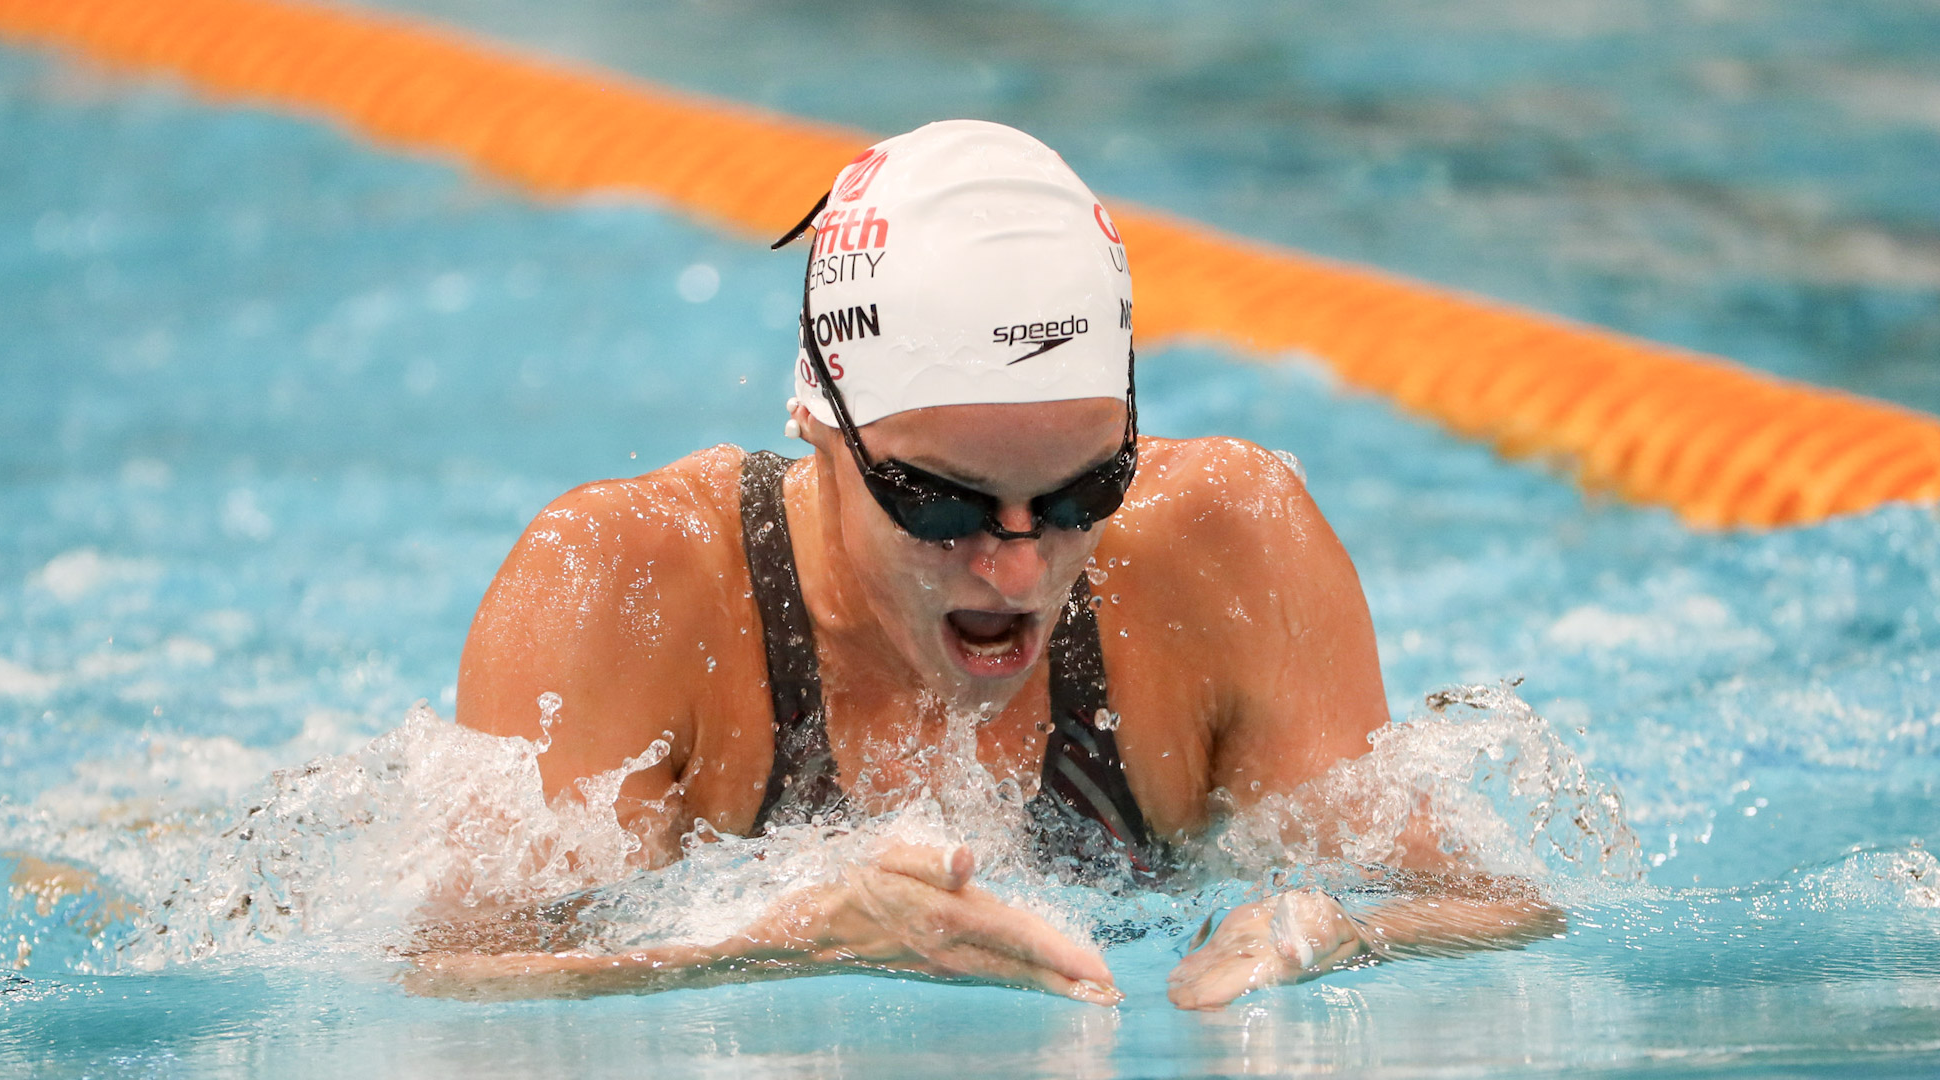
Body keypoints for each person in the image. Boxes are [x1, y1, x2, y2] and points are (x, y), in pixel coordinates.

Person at [434, 120, 1558, 1009]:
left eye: (1081, 493)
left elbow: (1494, 907)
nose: (1016, 571)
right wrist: (778, 939)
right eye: (939, 501)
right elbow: (456, 979)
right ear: (821, 424)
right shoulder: (624, 585)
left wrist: (1342, 927)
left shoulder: (1228, 545)